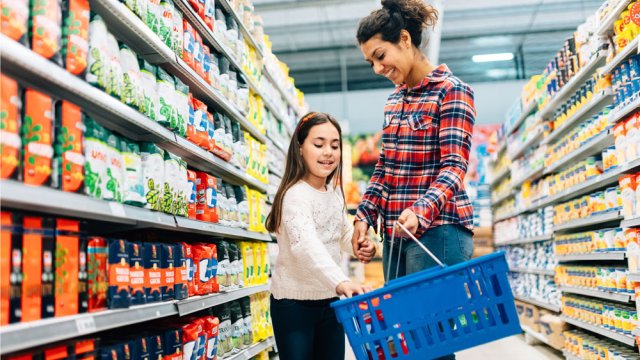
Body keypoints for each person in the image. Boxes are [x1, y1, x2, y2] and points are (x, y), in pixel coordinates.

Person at [353, 1, 476, 357]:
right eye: (370, 62)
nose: (377, 68)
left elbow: (454, 166)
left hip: (439, 231)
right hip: (397, 233)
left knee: (427, 343)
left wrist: (420, 211)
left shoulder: (452, 91)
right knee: (403, 344)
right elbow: (385, 168)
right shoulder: (394, 102)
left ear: (404, 39)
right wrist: (364, 216)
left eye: (380, 55)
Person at [265, 112, 376, 360]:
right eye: (319, 144)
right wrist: (342, 281)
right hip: (294, 304)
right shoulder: (294, 196)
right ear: (300, 149)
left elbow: (340, 233)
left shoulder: (333, 193)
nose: (328, 152)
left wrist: (357, 245)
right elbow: (306, 246)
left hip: (329, 300)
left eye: (334, 146)